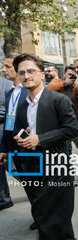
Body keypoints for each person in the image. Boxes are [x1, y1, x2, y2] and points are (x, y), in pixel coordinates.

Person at [12, 53, 78, 239]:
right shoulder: (23, 106)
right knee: (42, 218)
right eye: (22, 72)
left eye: (31, 71)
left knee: (58, 222)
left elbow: (71, 130)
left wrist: (40, 139)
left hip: (58, 167)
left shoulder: (58, 100)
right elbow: (21, 130)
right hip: (35, 167)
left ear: (42, 74)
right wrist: (22, 138)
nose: (26, 76)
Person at [47, 65, 78, 155]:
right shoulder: (57, 83)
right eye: (69, 74)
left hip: (74, 123)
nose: (71, 77)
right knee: (65, 150)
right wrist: (65, 83)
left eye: (74, 76)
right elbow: (49, 88)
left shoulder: (75, 87)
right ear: (64, 74)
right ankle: (68, 168)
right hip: (60, 125)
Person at [0, 63, 13, 211]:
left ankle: (39, 191)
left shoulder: (7, 85)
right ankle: (3, 198)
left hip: (4, 128)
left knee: (12, 164)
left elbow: (11, 111)